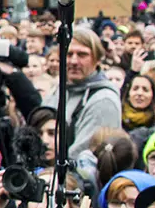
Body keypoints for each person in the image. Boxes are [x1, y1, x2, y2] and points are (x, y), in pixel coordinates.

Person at [42, 28, 121, 157]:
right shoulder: (57, 91)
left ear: (97, 59)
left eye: (82, 55)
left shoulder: (104, 100)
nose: (74, 61)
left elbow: (83, 154)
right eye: (69, 54)